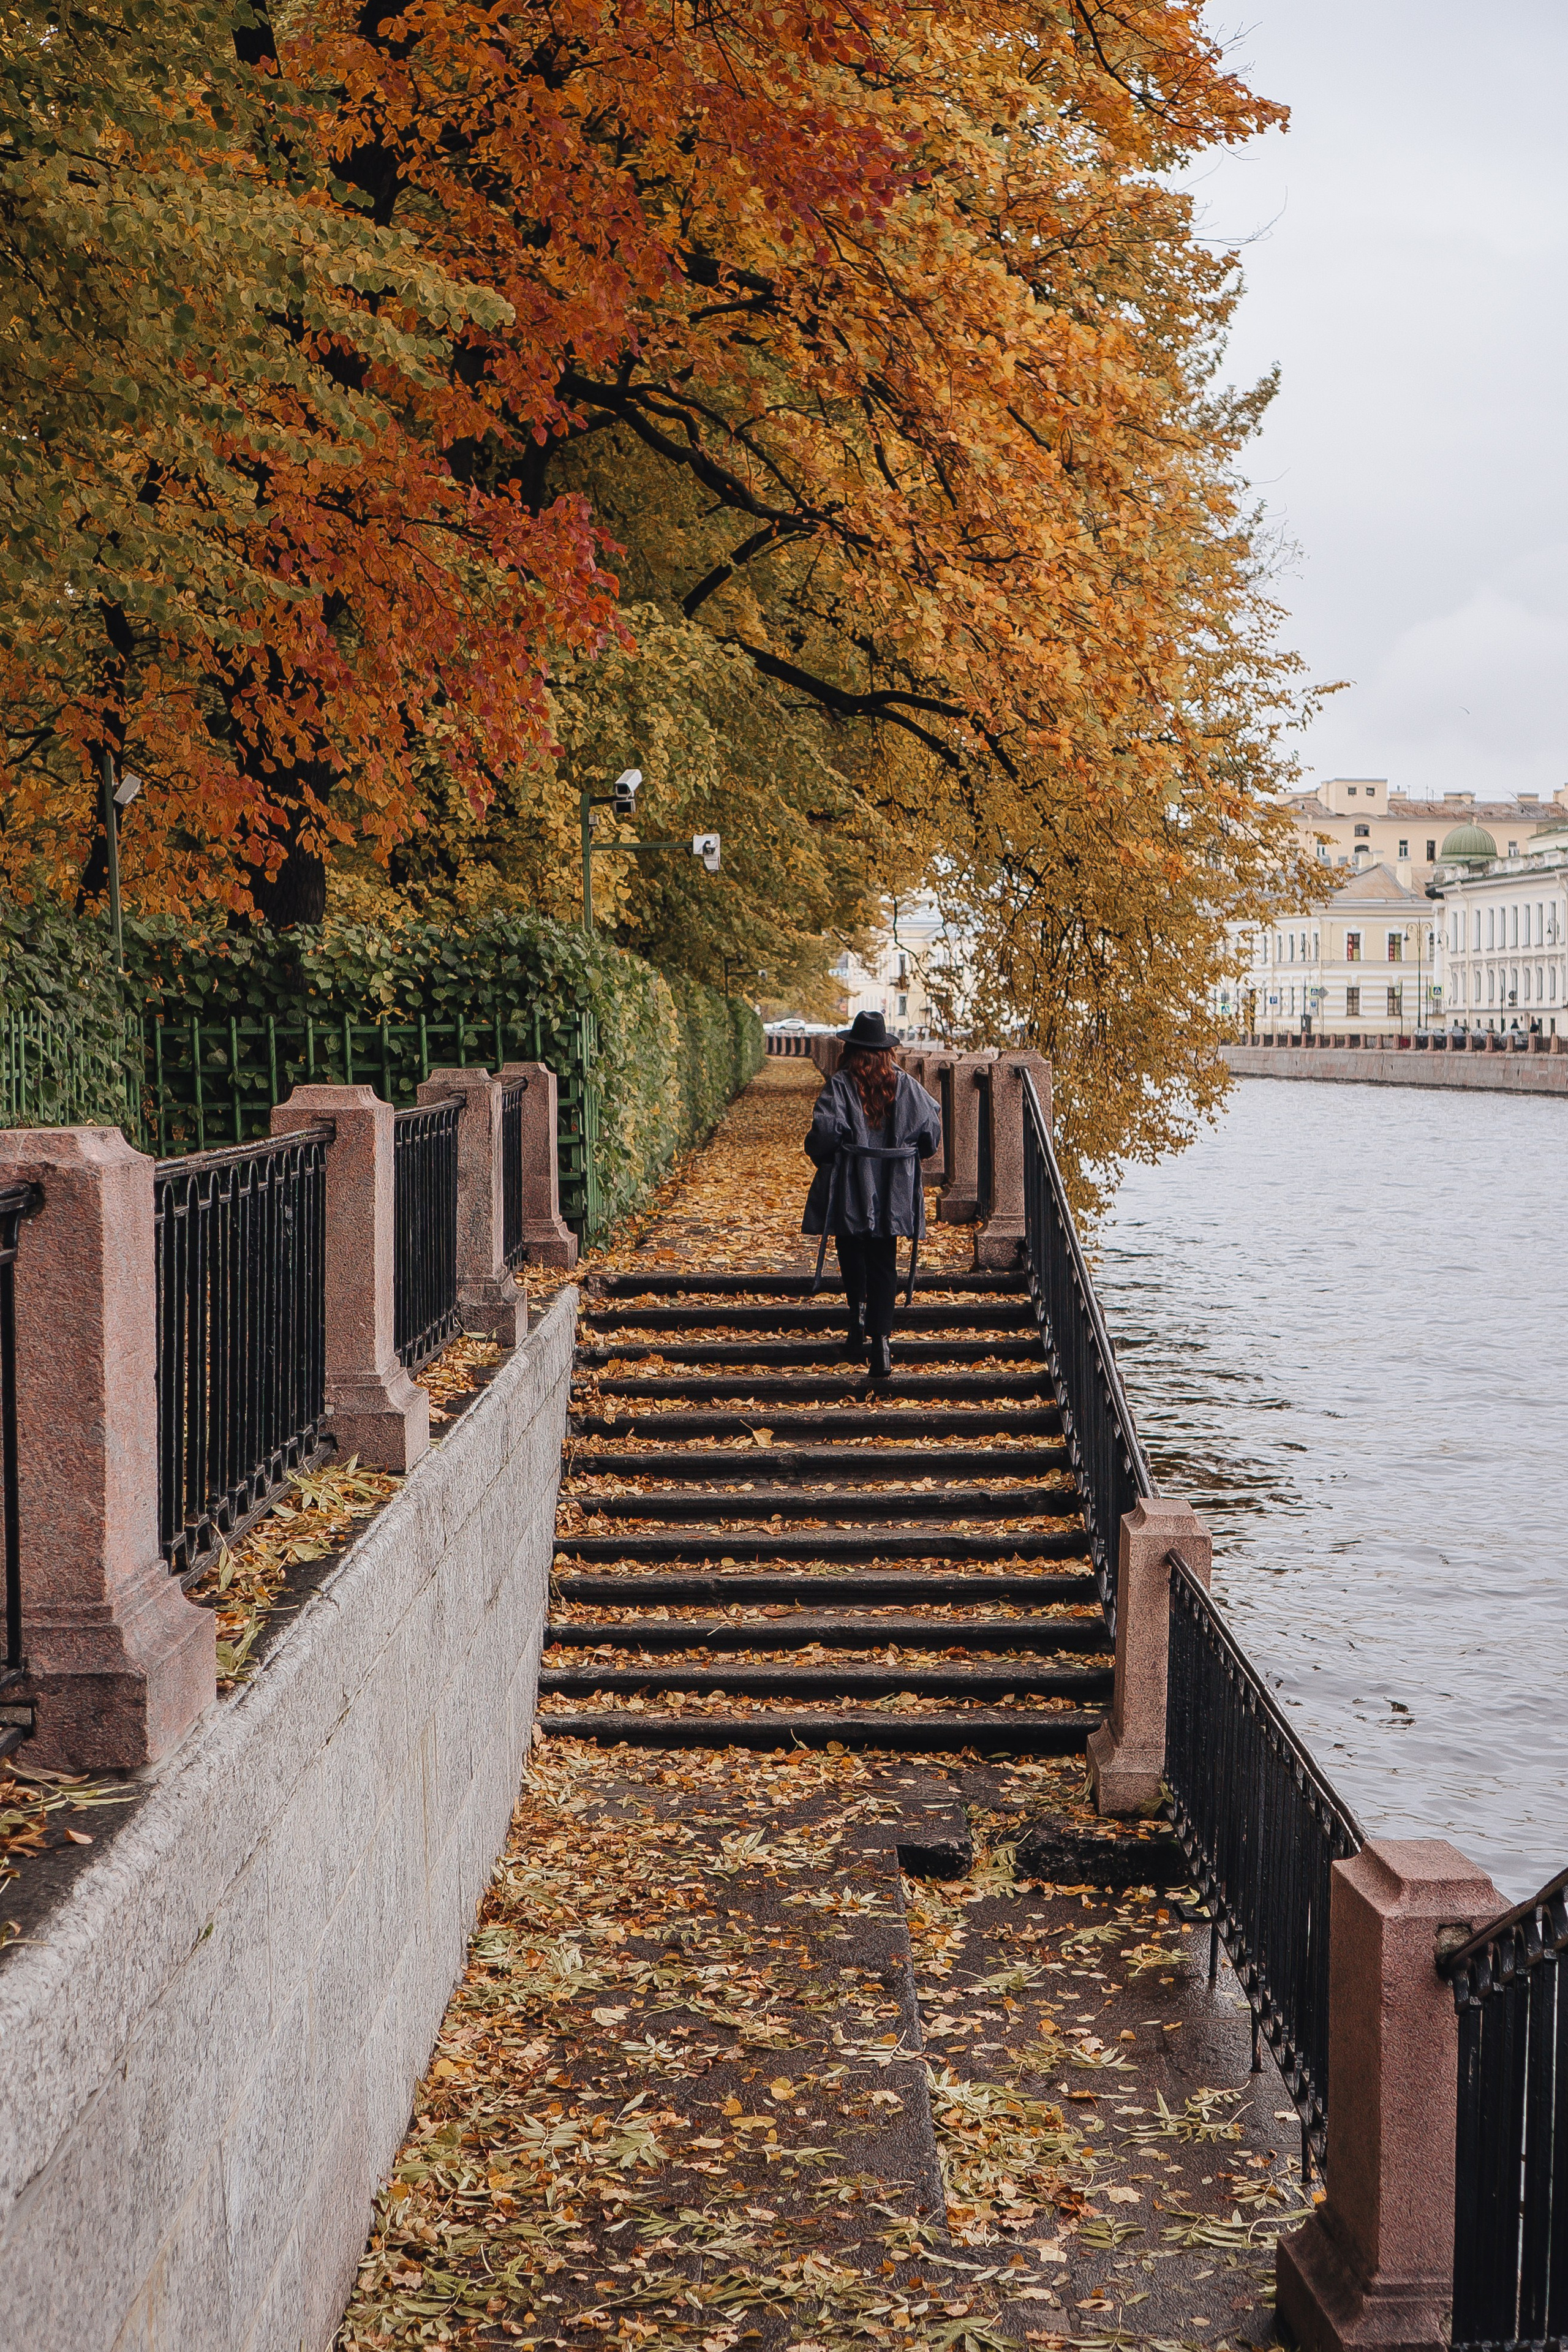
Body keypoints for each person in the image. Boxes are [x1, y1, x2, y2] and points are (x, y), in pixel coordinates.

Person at [801, 1011, 941, 1379]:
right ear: (886, 1052)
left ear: (850, 1050)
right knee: (883, 1261)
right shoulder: (908, 1086)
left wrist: (825, 1155)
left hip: (852, 1187)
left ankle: (857, 1320)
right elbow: (930, 1135)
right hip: (894, 1190)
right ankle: (881, 1346)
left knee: (851, 1250)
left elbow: (824, 1135)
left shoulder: (840, 1085)